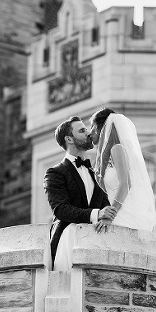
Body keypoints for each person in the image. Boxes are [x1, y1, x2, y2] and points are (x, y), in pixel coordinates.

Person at [44, 116, 114, 271]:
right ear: (69, 139)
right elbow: (61, 209)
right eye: (82, 131)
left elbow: (105, 203)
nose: (89, 133)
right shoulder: (55, 173)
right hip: (68, 240)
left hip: (96, 241)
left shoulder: (95, 172)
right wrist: (97, 213)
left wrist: (108, 216)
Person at [88, 107, 156, 235]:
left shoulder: (117, 148)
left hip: (122, 214)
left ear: (101, 128)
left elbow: (125, 184)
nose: (89, 132)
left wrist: (109, 215)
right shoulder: (105, 157)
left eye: (92, 126)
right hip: (115, 211)